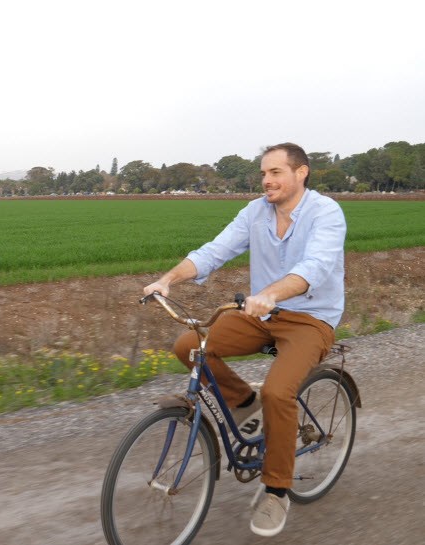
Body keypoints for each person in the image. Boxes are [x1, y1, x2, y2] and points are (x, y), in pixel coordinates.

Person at [142, 143, 346, 537]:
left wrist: (271, 293)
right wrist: (167, 280)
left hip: (310, 318)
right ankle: (242, 402)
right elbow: (214, 251)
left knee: (278, 392)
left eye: (276, 172)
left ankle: (276, 491)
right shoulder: (255, 212)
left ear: (301, 173)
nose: (267, 181)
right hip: (261, 314)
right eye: (263, 174)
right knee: (189, 346)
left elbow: (315, 266)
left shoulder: (326, 213)